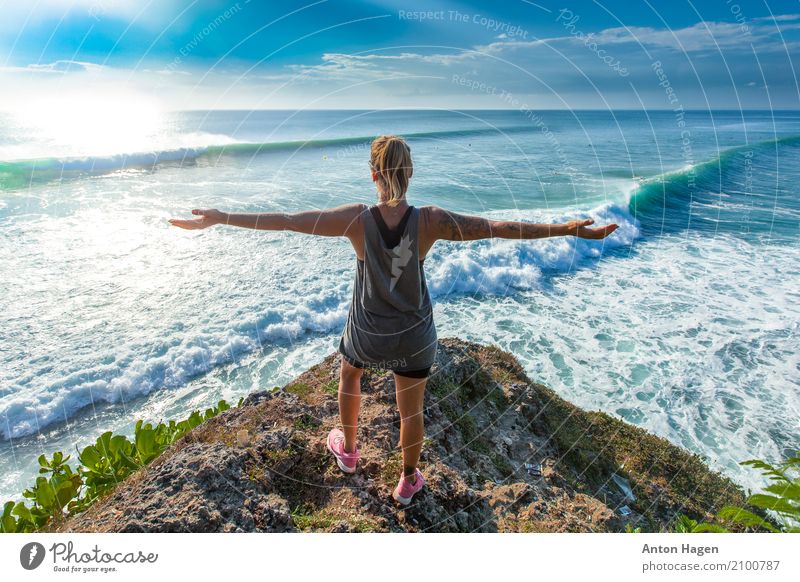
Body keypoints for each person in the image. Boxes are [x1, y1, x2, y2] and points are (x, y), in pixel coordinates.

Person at [168, 134, 618, 505]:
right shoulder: (432, 220)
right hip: (415, 336)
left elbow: (286, 221)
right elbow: (497, 226)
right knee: (412, 408)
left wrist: (221, 218)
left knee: (349, 373)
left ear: (374, 174)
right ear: (410, 173)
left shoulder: (354, 219)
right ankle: (407, 479)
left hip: (367, 333)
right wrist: (568, 228)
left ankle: (347, 451)